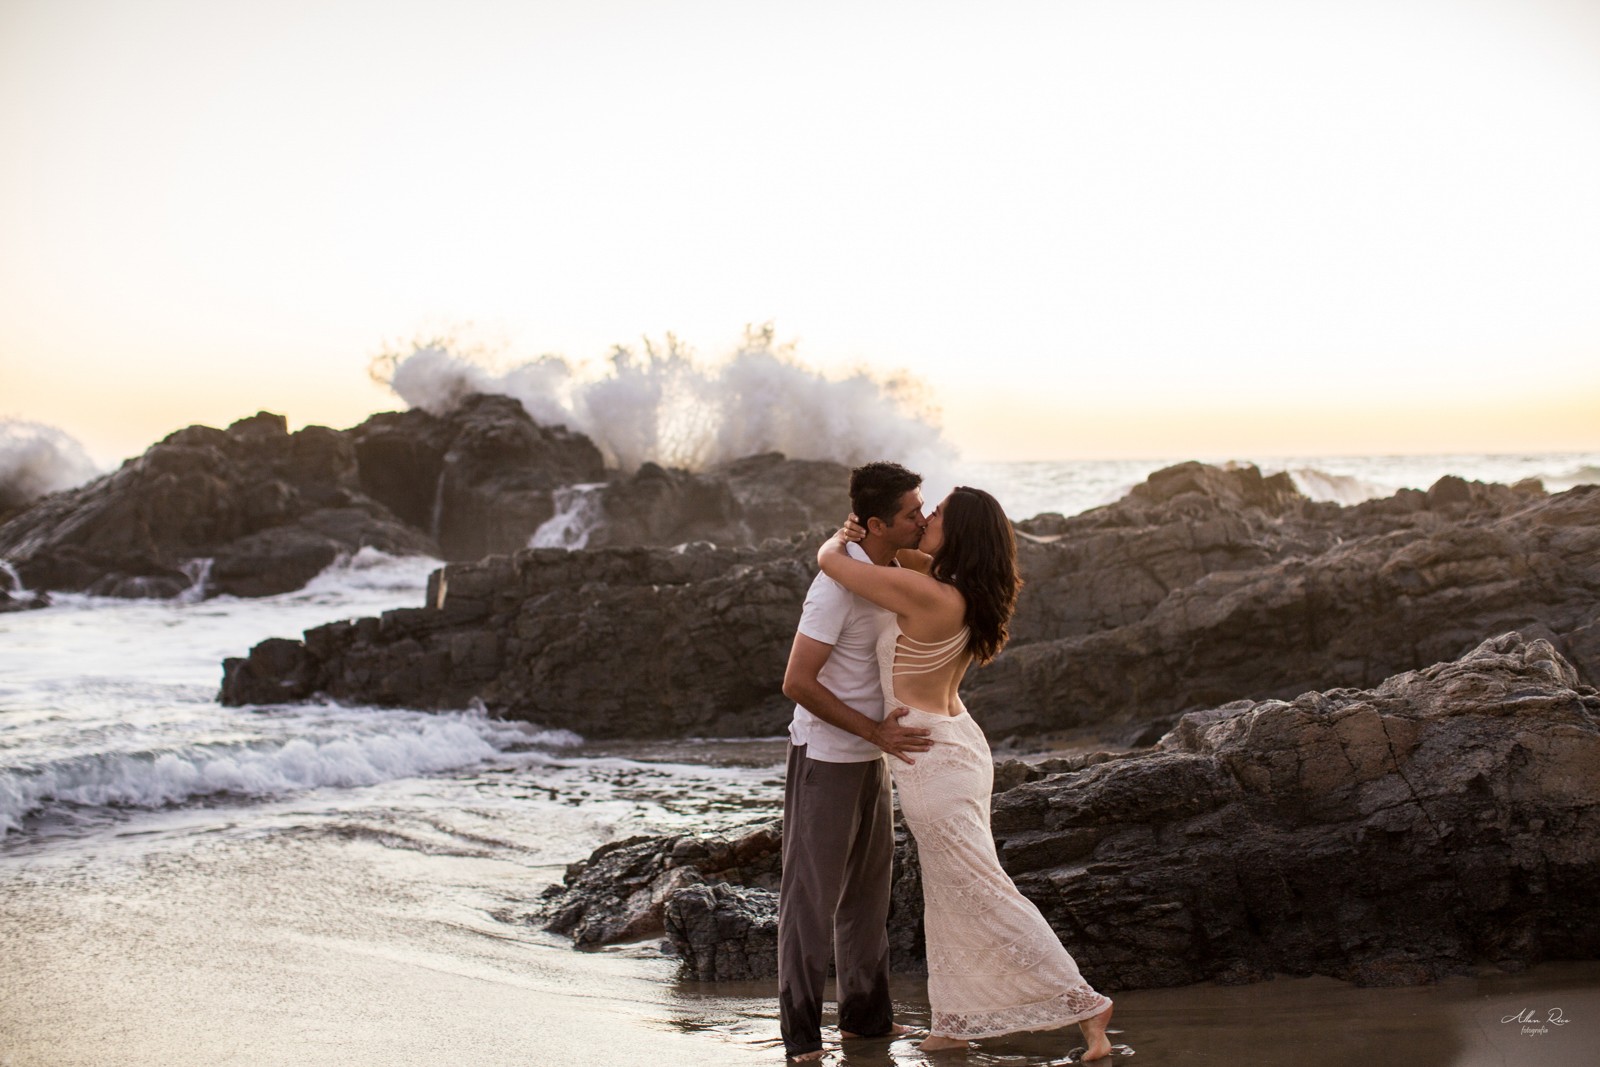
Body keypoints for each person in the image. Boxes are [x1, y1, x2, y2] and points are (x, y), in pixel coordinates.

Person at [817, 486, 1116, 1060]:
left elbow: (833, 564)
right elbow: (900, 553)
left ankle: (1085, 1003)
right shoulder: (957, 587)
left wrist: (841, 535)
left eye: (937, 514)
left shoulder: (929, 592)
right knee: (948, 891)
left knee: (981, 889)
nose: (925, 517)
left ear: (959, 533)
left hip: (933, 762)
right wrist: (878, 532)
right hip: (953, 748)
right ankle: (952, 1023)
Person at [777, 461, 935, 1062]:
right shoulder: (834, 588)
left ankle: (866, 1023)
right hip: (826, 757)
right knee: (809, 902)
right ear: (876, 524)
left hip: (874, 755)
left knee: (869, 899)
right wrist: (873, 730)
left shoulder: (891, 570)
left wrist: (879, 738)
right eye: (911, 513)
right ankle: (800, 1037)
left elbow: (943, 565)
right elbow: (797, 682)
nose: (921, 519)